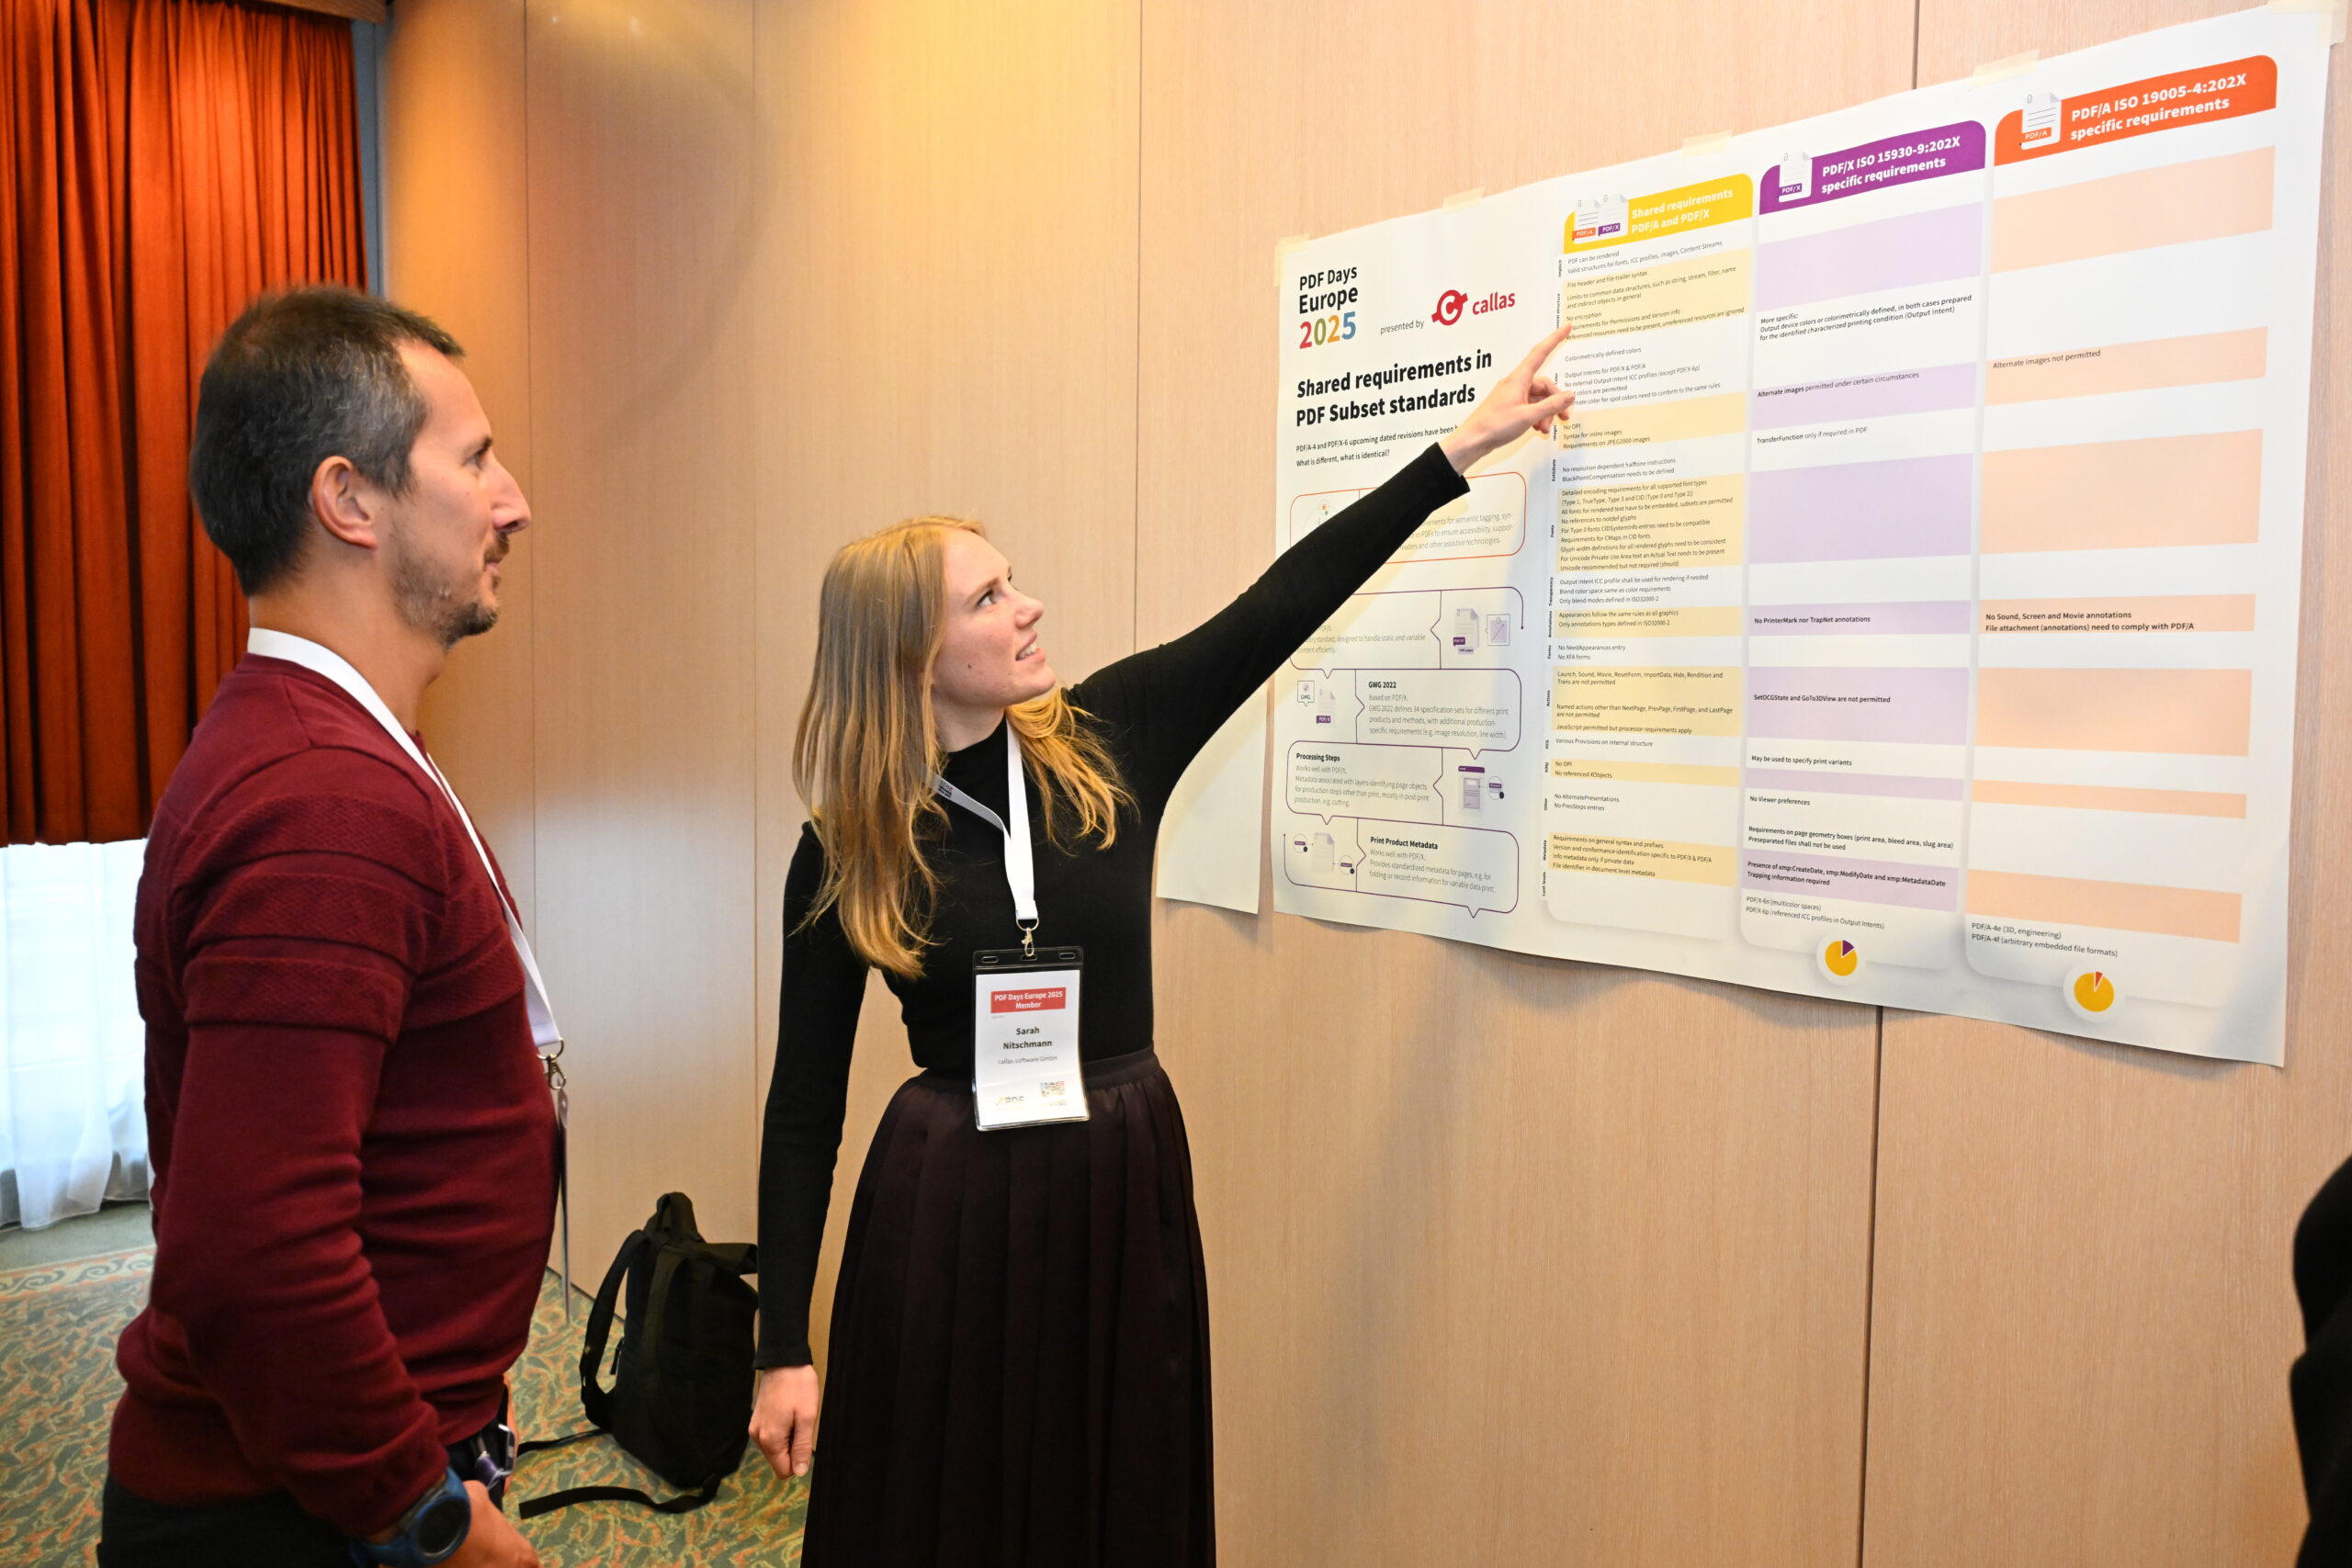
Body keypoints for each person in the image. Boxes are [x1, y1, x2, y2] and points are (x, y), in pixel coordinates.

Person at [750, 325, 1577, 1564]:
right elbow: (803, 1108)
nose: (1029, 606)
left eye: (1013, 581)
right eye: (988, 599)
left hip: (1116, 1176)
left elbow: (1280, 605)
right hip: (949, 1198)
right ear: (914, 658)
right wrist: (782, 1345)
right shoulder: (848, 847)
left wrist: (1459, 448)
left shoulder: (1112, 736)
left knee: (1111, 1484)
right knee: (952, 1499)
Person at [99, 286, 550, 1568]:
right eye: (474, 460)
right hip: (300, 1515)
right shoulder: (324, 802)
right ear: (349, 501)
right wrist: (422, 1512)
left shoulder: (327, 746)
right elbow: (255, 1251)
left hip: (348, 1461)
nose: (514, 501)